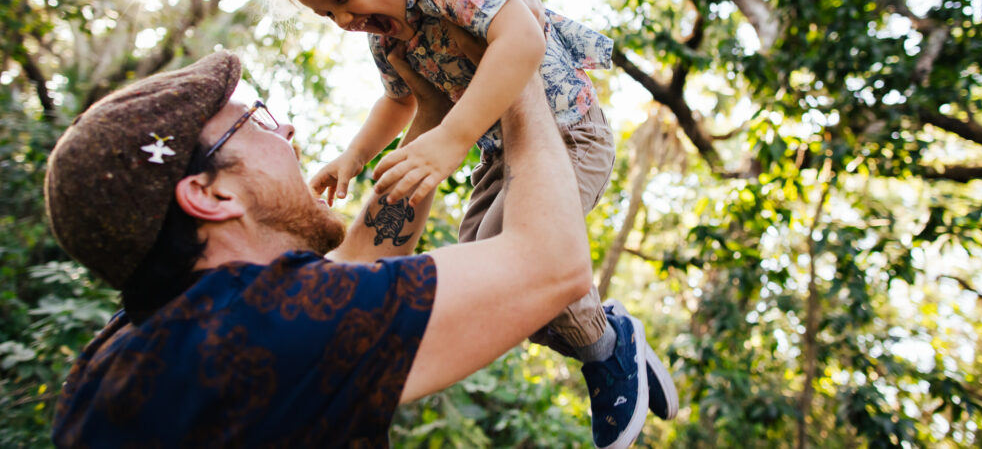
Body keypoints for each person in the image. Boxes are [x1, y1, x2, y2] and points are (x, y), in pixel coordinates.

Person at [268, 0, 677, 448]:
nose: (342, 21)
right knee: (486, 276)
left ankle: (607, 353)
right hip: (500, 154)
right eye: (326, 14)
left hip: (568, 135)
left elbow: (523, 40)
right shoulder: (386, 36)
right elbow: (400, 100)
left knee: (518, 264)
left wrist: (453, 138)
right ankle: (611, 339)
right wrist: (354, 157)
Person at [42, 31, 596, 445]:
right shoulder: (255, 332)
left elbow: (354, 261)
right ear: (210, 196)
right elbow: (552, 264)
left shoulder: (127, 346)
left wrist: (429, 113)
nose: (286, 131)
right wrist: (515, 58)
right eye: (255, 123)